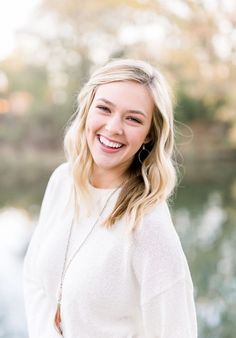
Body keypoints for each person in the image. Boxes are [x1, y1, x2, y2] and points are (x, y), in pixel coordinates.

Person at [23, 58, 198, 338]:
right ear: (87, 111)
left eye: (133, 118)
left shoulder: (148, 224)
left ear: (149, 136)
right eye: (104, 108)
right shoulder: (62, 181)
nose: (114, 127)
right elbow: (33, 279)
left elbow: (177, 331)